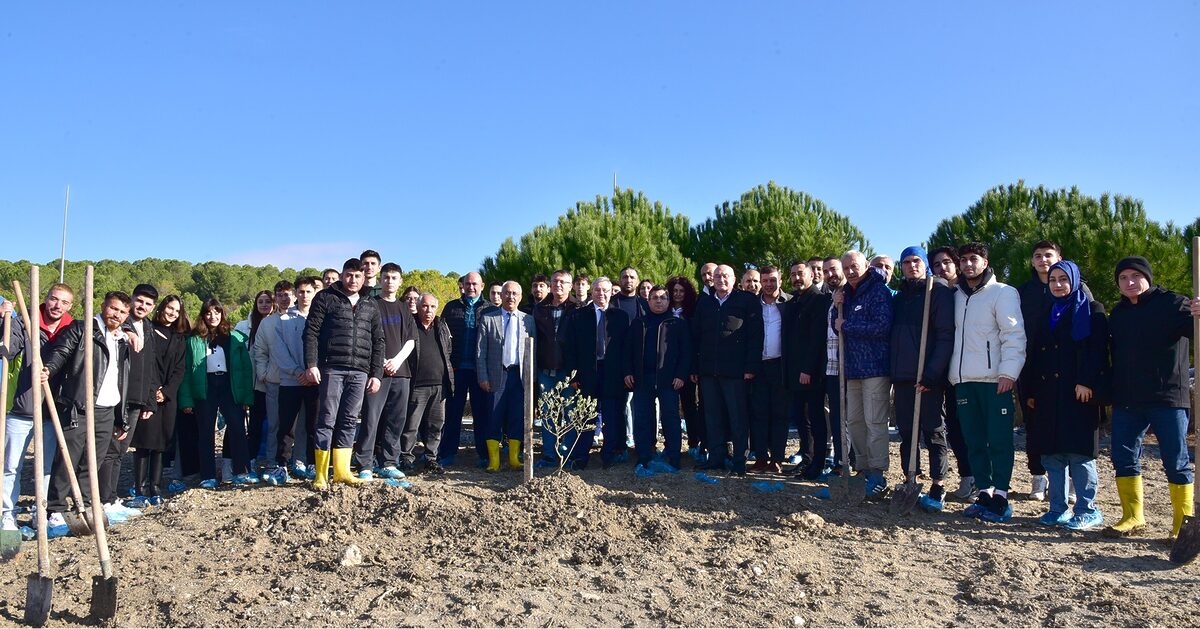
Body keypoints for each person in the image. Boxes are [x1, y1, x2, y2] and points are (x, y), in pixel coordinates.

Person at [1105, 256, 1200, 539]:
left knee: (1176, 460)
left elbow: (1196, 333)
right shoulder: (1118, 313)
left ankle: (1181, 527)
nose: (1130, 282)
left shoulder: (1174, 304)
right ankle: (1132, 517)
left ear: (1148, 276)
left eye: (1135, 276)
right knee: (1123, 457)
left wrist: (1199, 314)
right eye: (1123, 278)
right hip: (1127, 399)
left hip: (1167, 397)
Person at [1022, 260, 1110, 530]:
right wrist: (1031, 391)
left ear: (1074, 280)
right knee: (1052, 453)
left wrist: (1087, 382)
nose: (1058, 285)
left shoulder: (1091, 310)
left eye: (1063, 279)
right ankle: (1057, 508)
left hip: (1078, 394)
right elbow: (1034, 354)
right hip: (1048, 394)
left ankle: (1087, 509)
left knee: (1080, 453)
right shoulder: (1046, 311)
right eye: (1053, 280)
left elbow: (1097, 351)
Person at [41, 291, 134, 535]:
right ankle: (55, 510)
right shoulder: (83, 329)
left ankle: (84, 505)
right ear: (103, 306)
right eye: (114, 309)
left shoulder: (122, 339)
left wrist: (120, 416)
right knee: (67, 460)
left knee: (93, 461)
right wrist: (48, 369)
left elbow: (121, 378)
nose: (117, 315)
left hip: (106, 409)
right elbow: (61, 352)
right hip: (80, 406)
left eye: (123, 312)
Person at [950, 242, 1026, 523]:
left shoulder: (1003, 293)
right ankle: (983, 493)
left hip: (994, 380)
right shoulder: (955, 295)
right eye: (964, 260)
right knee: (974, 441)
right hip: (963, 380)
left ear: (985, 261)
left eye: (974, 259)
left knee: (999, 441)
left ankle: (1001, 497)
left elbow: (1014, 334)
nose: (968, 264)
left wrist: (1009, 372)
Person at [1017, 240, 1094, 501]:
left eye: (1048, 255)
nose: (1042, 260)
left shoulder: (1083, 297)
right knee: (1039, 431)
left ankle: (1077, 491)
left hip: (1073, 378)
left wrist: (1085, 379)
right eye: (1037, 255)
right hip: (1037, 373)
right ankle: (1041, 480)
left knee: (1073, 436)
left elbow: (1091, 343)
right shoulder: (1026, 294)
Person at [303, 258, 385, 489]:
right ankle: (320, 474)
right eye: (349, 275)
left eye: (358, 276)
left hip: (359, 371)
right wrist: (311, 363)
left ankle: (342, 472)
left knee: (349, 420)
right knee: (326, 419)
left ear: (364, 277)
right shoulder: (326, 297)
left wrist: (376, 374)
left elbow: (378, 341)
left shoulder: (370, 303)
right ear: (341, 275)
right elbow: (311, 333)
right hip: (332, 367)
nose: (353, 280)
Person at [1, 283, 73, 533]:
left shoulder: (71, 329)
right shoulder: (25, 321)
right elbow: (7, 351)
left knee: (43, 469)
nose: (57, 306)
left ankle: (39, 512)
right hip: (21, 409)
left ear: (70, 306)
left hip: (51, 410)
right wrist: (5, 320)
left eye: (64, 302)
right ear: (46, 298)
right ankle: (6, 515)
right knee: (11, 466)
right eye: (54, 299)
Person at [889, 247, 955, 512]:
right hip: (903, 375)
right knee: (907, 432)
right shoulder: (899, 297)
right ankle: (910, 478)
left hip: (928, 376)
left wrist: (931, 373)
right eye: (906, 262)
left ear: (925, 264)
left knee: (933, 431)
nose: (911, 266)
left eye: (916, 261)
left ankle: (938, 484)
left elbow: (945, 335)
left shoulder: (937, 291)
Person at [832, 251, 893, 497]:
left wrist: (847, 325)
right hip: (852, 369)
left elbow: (882, 326)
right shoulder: (845, 293)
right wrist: (836, 306)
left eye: (854, 266)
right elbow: (836, 328)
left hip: (875, 367)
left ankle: (878, 473)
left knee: (874, 421)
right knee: (854, 421)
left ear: (866, 265)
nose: (850, 271)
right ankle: (863, 467)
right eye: (845, 267)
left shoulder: (879, 291)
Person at [691, 265, 762, 475]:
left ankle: (740, 459)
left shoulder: (746, 301)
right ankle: (716, 457)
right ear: (712, 280)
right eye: (717, 276)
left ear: (734, 280)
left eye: (725, 276)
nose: (721, 279)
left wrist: (751, 366)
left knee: (737, 417)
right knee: (712, 417)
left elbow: (756, 336)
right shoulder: (704, 303)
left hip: (736, 371)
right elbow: (696, 337)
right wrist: (695, 367)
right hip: (708, 371)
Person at [178, 298, 256, 488]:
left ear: (222, 314)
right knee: (205, 432)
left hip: (229, 385)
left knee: (237, 428)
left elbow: (245, 369)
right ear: (203, 315)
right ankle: (208, 475)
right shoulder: (194, 339)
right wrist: (186, 400)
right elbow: (187, 370)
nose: (212, 316)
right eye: (208, 312)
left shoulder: (234, 337)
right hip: (205, 385)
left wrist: (246, 396)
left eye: (216, 312)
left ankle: (242, 471)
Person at [354, 263, 416, 478]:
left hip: (401, 373)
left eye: (394, 277)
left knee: (396, 421)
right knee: (371, 419)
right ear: (380, 280)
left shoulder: (405, 308)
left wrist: (397, 361)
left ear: (400, 281)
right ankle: (365, 464)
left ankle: (389, 462)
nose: (390, 281)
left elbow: (411, 340)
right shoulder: (370, 305)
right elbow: (364, 337)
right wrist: (379, 363)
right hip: (376, 373)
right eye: (386, 277)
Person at [562, 277, 631, 468]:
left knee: (611, 416)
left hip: (613, 374)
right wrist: (573, 375)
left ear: (611, 292)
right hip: (587, 374)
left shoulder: (621, 316)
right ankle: (581, 457)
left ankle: (608, 456)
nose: (601, 294)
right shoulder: (578, 316)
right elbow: (570, 348)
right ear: (592, 292)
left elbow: (627, 348)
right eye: (598, 290)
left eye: (605, 290)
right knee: (586, 416)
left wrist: (626, 373)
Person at [625, 285, 690, 474]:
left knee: (670, 418)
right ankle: (644, 456)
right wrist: (628, 371)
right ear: (648, 300)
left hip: (669, 380)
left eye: (662, 298)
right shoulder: (639, 323)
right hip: (642, 379)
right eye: (655, 297)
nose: (658, 301)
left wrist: (680, 375)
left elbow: (686, 353)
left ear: (669, 301)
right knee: (643, 419)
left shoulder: (677, 323)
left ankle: (674, 457)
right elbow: (627, 351)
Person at [129, 294, 187, 505]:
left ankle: (155, 486)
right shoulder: (147, 329)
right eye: (169, 308)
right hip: (147, 394)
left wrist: (168, 391)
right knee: (144, 443)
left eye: (177, 310)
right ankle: (140, 488)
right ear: (161, 308)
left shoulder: (179, 337)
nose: (172, 313)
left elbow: (180, 369)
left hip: (168, 398)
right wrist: (153, 391)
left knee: (161, 443)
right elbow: (146, 364)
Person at [106, 283, 160, 510]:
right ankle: (103, 499)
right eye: (139, 301)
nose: (143, 306)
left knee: (119, 451)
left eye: (148, 304)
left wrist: (149, 401)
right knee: (109, 450)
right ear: (132, 300)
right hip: (117, 398)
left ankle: (109, 497)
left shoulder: (147, 327)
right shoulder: (121, 324)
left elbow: (151, 367)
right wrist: (125, 332)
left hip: (137, 401)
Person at [475, 281, 535, 472]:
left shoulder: (529, 320)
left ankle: (514, 458)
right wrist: (482, 376)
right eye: (507, 293)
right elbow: (480, 351)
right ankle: (494, 460)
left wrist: (531, 378)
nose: (511, 297)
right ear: (501, 295)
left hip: (519, 376)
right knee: (493, 416)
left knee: (517, 416)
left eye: (515, 293)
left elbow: (534, 351)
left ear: (521, 296)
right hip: (495, 375)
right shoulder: (488, 318)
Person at [930, 245, 974, 499]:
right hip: (942, 369)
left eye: (946, 262)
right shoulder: (935, 293)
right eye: (936, 265)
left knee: (968, 426)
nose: (942, 268)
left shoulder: (966, 292)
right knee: (952, 427)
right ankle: (966, 477)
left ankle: (977, 478)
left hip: (967, 368)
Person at [782, 261, 831, 480]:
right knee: (801, 420)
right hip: (794, 373)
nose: (796, 278)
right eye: (793, 275)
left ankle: (818, 463)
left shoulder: (820, 300)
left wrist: (808, 369)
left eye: (800, 274)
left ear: (812, 275)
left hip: (810, 373)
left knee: (815, 419)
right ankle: (807, 458)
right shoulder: (794, 302)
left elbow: (816, 339)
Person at [270, 276, 320, 483]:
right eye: (301, 292)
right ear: (295, 294)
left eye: (309, 291)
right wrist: (297, 371)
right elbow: (278, 350)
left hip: (314, 381)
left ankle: (311, 464)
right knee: (286, 426)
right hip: (290, 382)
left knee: (313, 425)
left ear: (314, 293)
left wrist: (311, 372)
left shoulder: (321, 319)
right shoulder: (282, 320)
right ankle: (281, 465)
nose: (305, 295)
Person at [439, 271, 490, 467]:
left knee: (481, 414)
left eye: (475, 284)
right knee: (452, 414)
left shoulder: (490, 309)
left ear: (482, 286)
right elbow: (443, 337)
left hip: (480, 371)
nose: (471, 287)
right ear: (463, 285)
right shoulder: (451, 308)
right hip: (456, 370)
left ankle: (484, 455)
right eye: (468, 284)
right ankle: (447, 453)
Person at [403, 294, 454, 475]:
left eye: (432, 307)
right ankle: (406, 458)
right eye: (425, 306)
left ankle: (431, 458)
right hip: (416, 385)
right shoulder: (409, 325)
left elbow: (448, 349)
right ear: (418, 306)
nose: (428, 310)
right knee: (411, 425)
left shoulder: (441, 325)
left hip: (439, 386)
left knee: (436, 425)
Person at [532, 270, 577, 467]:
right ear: (550, 284)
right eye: (555, 281)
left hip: (569, 373)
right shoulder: (539, 309)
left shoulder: (578, 308)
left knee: (570, 414)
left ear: (570, 285)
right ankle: (549, 455)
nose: (558, 285)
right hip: (545, 371)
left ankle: (568, 455)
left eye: (563, 282)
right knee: (548, 415)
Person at [250, 281, 294, 478]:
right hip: (274, 381)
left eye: (287, 294)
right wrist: (264, 374)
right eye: (280, 294)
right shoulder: (267, 323)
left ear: (293, 296)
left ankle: (295, 461)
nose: (284, 298)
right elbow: (259, 351)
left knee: (296, 426)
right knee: (274, 425)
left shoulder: (303, 318)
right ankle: (270, 462)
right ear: (276, 298)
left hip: (298, 381)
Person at [748, 267, 790, 472]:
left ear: (780, 281)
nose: (768, 284)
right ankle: (761, 457)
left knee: (779, 414)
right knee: (759, 413)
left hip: (781, 366)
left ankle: (777, 458)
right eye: (765, 281)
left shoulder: (789, 303)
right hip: (758, 366)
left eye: (772, 280)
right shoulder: (752, 305)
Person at [666, 276, 704, 460]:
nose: (678, 294)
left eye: (681, 291)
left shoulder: (693, 312)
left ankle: (694, 443)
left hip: (688, 368)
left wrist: (693, 368)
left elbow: (696, 342)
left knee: (690, 406)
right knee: (669, 408)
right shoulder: (663, 310)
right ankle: (669, 445)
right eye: (675, 291)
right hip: (666, 367)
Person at [239, 288, 275, 479]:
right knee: (254, 424)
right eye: (260, 301)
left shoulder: (278, 323)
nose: (264, 305)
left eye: (267, 301)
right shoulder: (243, 325)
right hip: (252, 384)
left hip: (274, 381)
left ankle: (272, 462)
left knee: (274, 425)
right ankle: (249, 461)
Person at [822, 256, 848, 471]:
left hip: (850, 368)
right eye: (826, 271)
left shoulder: (852, 294)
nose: (830, 274)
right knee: (838, 418)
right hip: (832, 367)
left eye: (833, 269)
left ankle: (853, 461)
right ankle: (841, 461)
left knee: (851, 419)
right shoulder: (831, 299)